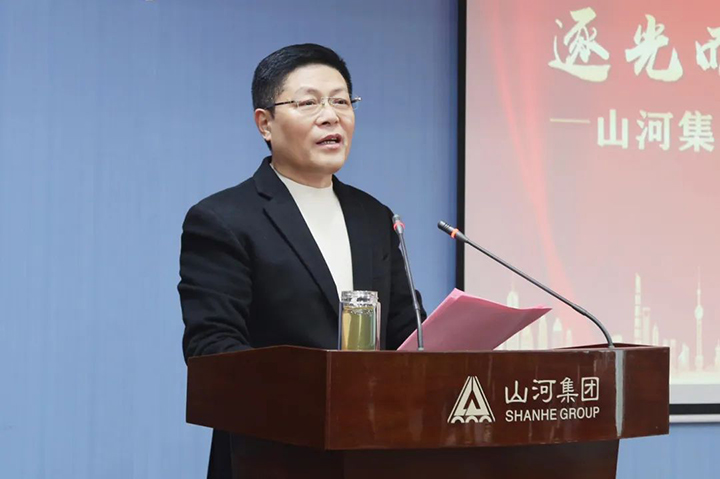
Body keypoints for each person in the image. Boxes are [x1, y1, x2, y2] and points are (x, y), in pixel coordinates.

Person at [178, 43, 426, 479]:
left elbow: (410, 335)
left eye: (342, 101)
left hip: (375, 453)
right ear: (265, 123)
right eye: (309, 103)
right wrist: (317, 393)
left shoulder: (375, 217)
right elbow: (213, 351)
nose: (331, 116)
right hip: (270, 456)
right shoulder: (224, 219)